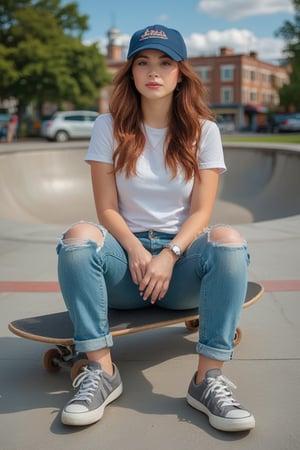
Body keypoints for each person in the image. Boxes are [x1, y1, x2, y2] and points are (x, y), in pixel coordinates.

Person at [56, 24, 255, 432]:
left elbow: (201, 213)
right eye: (143, 62)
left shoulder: (204, 131)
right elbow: (106, 207)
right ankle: (100, 370)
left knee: (229, 241)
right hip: (125, 269)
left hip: (181, 271)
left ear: (181, 73)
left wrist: (169, 255)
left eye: (165, 63)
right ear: (130, 71)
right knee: (77, 238)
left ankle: (208, 379)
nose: (154, 71)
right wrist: (135, 250)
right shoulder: (107, 127)